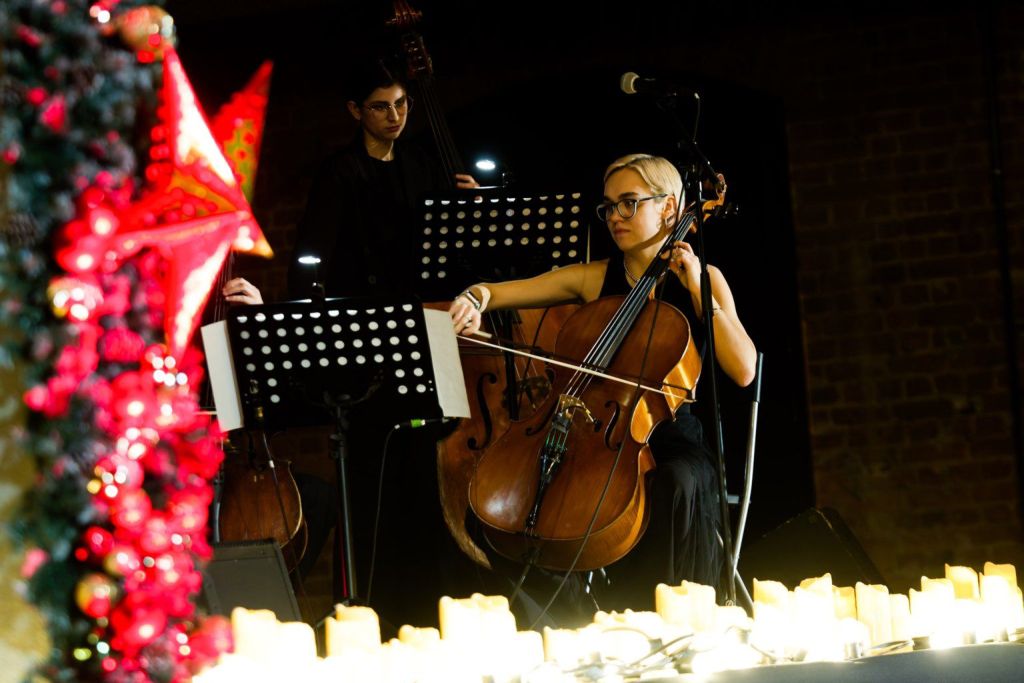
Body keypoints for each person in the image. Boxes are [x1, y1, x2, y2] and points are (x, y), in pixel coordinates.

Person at [219, 59, 481, 634]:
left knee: (424, 476)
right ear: (355, 112)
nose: (395, 116)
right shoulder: (340, 173)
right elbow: (310, 264)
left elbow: (449, 259)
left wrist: (466, 211)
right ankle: (376, 621)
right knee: (370, 482)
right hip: (361, 349)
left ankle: (431, 618)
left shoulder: (422, 165)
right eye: (382, 107)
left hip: (422, 337)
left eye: (402, 104)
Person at [447, 153, 757, 611]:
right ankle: (574, 616)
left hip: (669, 440)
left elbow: (744, 369)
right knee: (498, 511)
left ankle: (657, 613)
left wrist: (697, 289)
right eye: (609, 206)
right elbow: (498, 291)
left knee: (674, 482)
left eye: (629, 203)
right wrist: (473, 299)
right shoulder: (594, 278)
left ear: (670, 208)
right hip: (590, 437)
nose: (615, 216)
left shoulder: (704, 278)